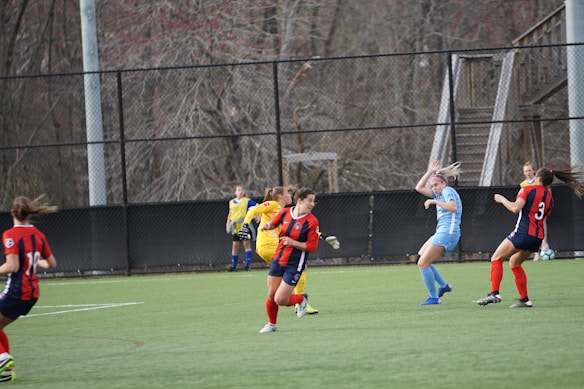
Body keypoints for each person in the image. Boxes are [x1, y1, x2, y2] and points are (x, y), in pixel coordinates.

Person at [475, 165, 584, 308]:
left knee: (496, 258)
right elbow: (543, 216)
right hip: (537, 238)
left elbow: (515, 208)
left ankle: (494, 293)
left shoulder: (527, 189)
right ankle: (525, 300)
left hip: (523, 233)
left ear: (537, 178)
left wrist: (501, 199)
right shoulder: (550, 198)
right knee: (515, 263)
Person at [238, 186, 339, 315]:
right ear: (280, 196)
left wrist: (322, 236)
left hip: (271, 247)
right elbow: (253, 211)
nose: (290, 195)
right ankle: (300, 302)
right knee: (300, 266)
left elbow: (300, 232)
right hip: (268, 245)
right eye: (287, 193)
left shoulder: (286, 213)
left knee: (278, 286)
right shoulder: (274, 205)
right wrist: (245, 225)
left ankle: (278, 314)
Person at [0, 195, 58, 382]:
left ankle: (2, 359)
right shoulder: (39, 235)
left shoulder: (10, 235)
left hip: (17, 291)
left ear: (12, 213)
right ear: (29, 214)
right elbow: (51, 263)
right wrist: (36, 263)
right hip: (32, 293)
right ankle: (5, 374)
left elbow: (12, 266)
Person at [257, 188, 320, 333]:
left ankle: (301, 299)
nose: (312, 204)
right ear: (299, 201)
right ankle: (271, 324)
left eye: (313, 201)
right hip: (278, 259)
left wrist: (293, 243)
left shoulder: (312, 222)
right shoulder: (285, 213)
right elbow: (275, 223)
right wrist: (267, 226)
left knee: (281, 299)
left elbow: (312, 247)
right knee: (271, 295)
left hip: (294, 265)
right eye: (309, 200)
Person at [414, 160, 462, 305]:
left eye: (436, 185)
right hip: (441, 232)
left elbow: (453, 207)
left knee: (423, 263)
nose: (434, 188)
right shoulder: (438, 194)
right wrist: (430, 171)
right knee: (420, 258)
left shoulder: (447, 191)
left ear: (444, 184)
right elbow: (419, 188)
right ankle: (443, 286)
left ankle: (434, 297)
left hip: (448, 233)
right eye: (432, 186)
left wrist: (434, 202)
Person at [521, 161, 549, 261]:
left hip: (539, 206)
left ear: (534, 171)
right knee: (532, 228)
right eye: (525, 171)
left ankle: (544, 244)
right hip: (530, 209)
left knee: (542, 222)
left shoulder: (539, 181)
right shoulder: (523, 184)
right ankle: (536, 252)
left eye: (529, 170)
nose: (528, 173)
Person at [225, 184, 257, 272]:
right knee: (235, 246)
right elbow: (230, 214)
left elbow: (258, 207)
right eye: (238, 190)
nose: (240, 192)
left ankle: (247, 265)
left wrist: (258, 216)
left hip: (244, 226)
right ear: (235, 192)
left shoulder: (247, 201)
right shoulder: (231, 202)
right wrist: (228, 225)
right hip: (235, 227)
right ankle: (234, 266)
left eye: (242, 190)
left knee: (246, 244)